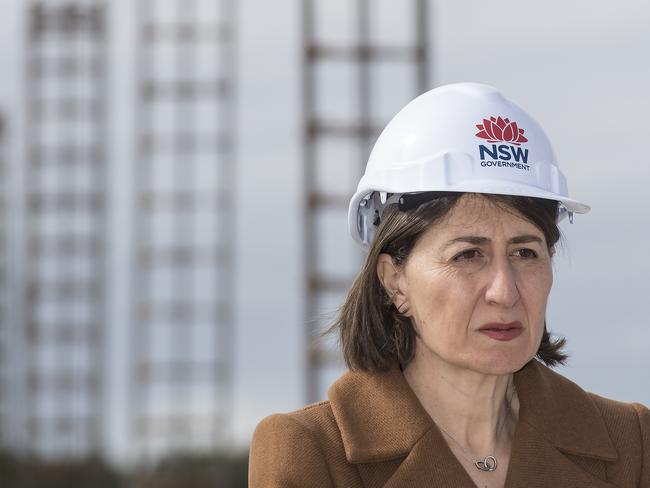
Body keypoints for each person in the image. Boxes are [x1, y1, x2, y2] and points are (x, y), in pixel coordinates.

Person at [248, 83, 650, 487]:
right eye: (467, 255)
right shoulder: (315, 452)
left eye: (525, 253)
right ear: (394, 282)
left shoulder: (631, 443)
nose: (504, 292)